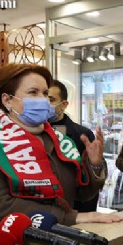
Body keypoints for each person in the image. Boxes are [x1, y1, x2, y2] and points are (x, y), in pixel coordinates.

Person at [0, 64, 122, 230]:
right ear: (7, 100)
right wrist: (70, 217)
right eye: (33, 92)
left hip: (60, 241)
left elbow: (81, 194)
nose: (43, 99)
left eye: (45, 93)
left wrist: (94, 164)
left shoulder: (59, 141)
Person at [48, 79, 99, 212]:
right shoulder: (32, 132)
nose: (45, 104)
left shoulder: (82, 134)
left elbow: (90, 179)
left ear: (64, 104)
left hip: (75, 208)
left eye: (51, 99)